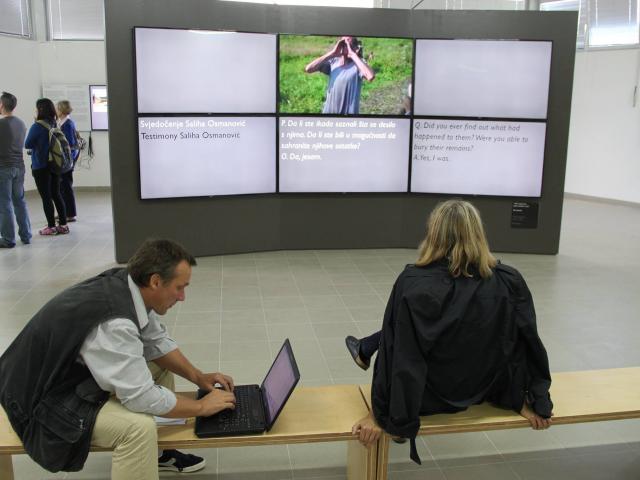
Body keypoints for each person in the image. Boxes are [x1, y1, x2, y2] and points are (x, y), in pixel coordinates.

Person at [0, 239, 237, 479]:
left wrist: (198, 377)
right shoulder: (115, 321)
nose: (183, 296)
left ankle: (155, 456)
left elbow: (155, 342)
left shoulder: (129, 284)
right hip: (36, 404)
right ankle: (142, 449)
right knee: (137, 429)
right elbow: (140, 397)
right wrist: (200, 407)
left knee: (156, 363)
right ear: (155, 281)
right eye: (179, 287)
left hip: (57, 380)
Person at [349, 200, 553, 463]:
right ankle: (366, 348)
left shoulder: (413, 283)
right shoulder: (509, 280)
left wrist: (383, 416)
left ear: (433, 233)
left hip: (429, 398)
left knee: (394, 334)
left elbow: (400, 358)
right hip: (483, 389)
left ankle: (365, 348)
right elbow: (528, 345)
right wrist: (532, 400)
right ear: (478, 233)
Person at [24, 98, 68, 235]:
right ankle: (63, 225)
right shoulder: (54, 123)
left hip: (41, 166)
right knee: (56, 194)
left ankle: (51, 226)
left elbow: (27, 144)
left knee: (46, 197)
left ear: (40, 110)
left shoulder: (37, 126)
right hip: (55, 165)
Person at [304, 36, 375, 115]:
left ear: (356, 49)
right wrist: (332, 53)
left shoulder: (358, 64)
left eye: (349, 44)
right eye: (343, 43)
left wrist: (352, 54)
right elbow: (308, 69)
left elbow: (370, 76)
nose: (345, 45)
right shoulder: (333, 62)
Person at [0, 91, 31, 247]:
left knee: (4, 203)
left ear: (1, 105)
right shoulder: (21, 123)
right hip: (19, 167)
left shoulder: (1, 124)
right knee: (19, 201)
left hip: (3, 168)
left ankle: (8, 239)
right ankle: (26, 235)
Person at [56, 100, 79, 222]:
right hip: (64, 159)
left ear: (61, 110)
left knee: (66, 186)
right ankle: (64, 211)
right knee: (62, 186)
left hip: (67, 160)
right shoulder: (62, 123)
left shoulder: (68, 124)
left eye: (57, 108)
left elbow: (68, 144)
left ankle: (70, 213)